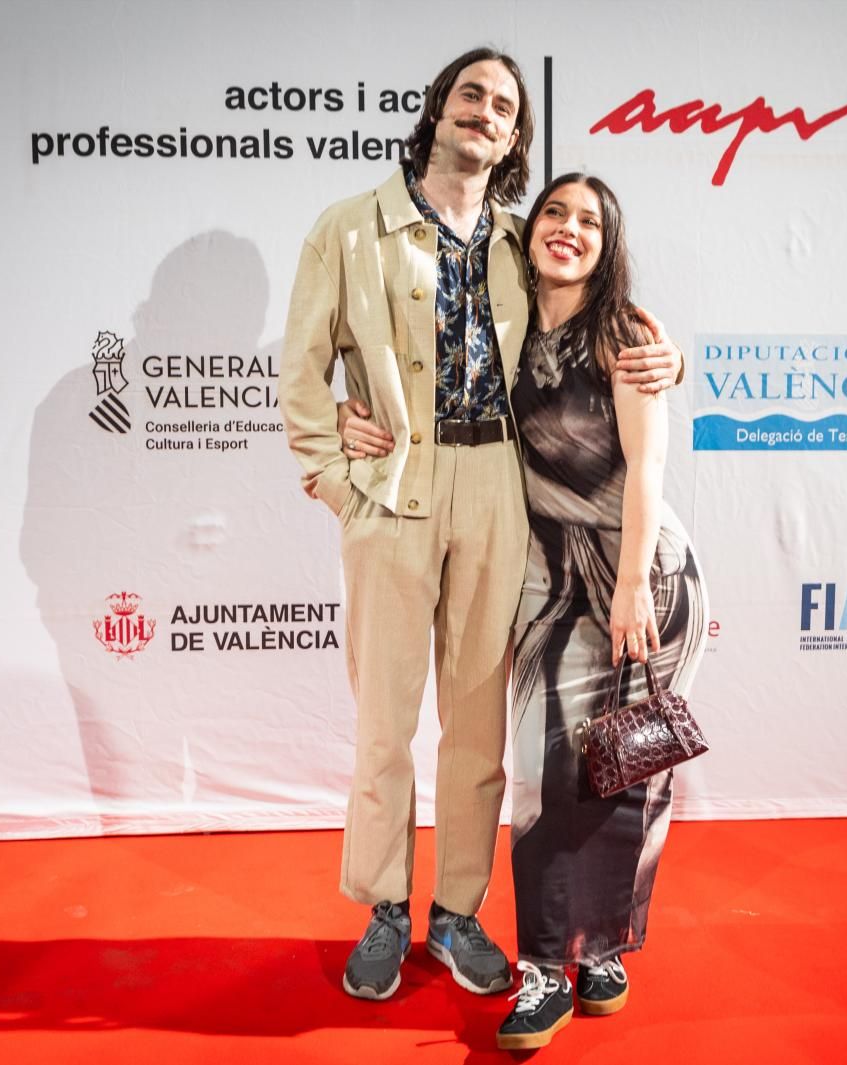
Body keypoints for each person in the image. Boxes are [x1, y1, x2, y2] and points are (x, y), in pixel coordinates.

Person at [279, 48, 683, 1003]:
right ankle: (384, 906)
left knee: (476, 729)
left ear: (513, 139)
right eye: (472, 95)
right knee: (385, 721)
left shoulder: (519, 239)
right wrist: (342, 482)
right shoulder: (347, 230)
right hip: (394, 496)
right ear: (439, 110)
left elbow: (601, 320)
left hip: (499, 496)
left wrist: (666, 351)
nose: (486, 113)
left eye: (505, 108)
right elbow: (301, 376)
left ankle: (457, 913)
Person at [494, 173, 708, 1050]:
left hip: (641, 575)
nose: (569, 229)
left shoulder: (622, 332)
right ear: (529, 225)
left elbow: (647, 469)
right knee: (543, 769)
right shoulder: (498, 322)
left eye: (590, 220)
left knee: (626, 769)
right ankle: (543, 966)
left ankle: (604, 950)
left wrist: (627, 589)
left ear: (607, 243)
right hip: (548, 576)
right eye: (555, 212)